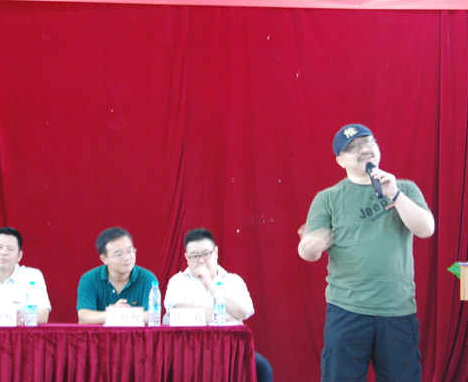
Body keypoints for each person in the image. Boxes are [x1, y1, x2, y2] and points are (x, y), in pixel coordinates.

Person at [298, 123, 435, 382]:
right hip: (347, 310)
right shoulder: (328, 198)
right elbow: (308, 251)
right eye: (353, 148)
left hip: (397, 309)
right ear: (340, 160)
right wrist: (309, 246)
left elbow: (426, 229)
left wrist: (394, 194)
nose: (364, 149)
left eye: (368, 142)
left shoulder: (404, 188)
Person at [164, 228, 272, 382]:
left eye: (206, 254)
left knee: (263, 368)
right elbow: (177, 312)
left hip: (231, 349)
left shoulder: (233, 280)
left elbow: (244, 312)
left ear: (215, 252)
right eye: (195, 256)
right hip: (188, 350)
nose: (201, 261)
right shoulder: (178, 281)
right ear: (187, 258)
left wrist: (210, 284)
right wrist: (225, 316)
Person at [77, 227, 157, 324]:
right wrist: (113, 314)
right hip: (101, 334)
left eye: (129, 251)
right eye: (119, 254)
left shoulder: (147, 279)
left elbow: (153, 316)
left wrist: (122, 315)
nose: (127, 258)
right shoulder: (89, 279)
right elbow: (85, 317)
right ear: (104, 259)